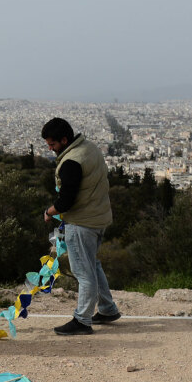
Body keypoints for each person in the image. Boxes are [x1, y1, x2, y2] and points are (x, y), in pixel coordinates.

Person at [41, 117, 121, 335]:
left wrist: (49, 212)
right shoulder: (89, 147)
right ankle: (107, 309)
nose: (50, 149)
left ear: (64, 139)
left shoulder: (70, 162)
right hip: (99, 217)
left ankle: (82, 320)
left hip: (81, 222)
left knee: (83, 272)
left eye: (53, 144)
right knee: (92, 265)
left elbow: (66, 201)